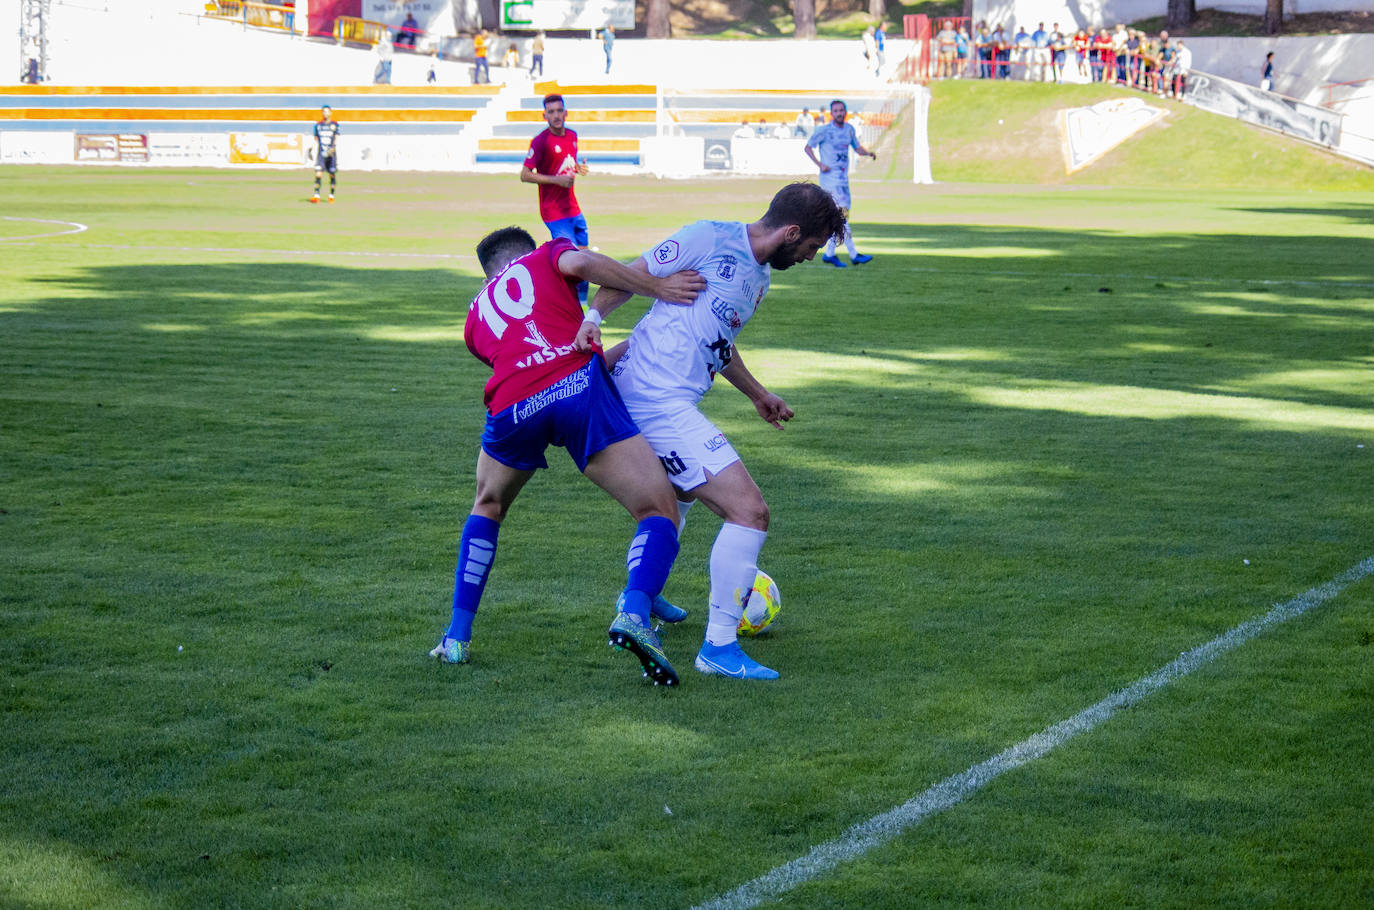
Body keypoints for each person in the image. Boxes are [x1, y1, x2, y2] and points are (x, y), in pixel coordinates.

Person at [577, 183, 848, 680]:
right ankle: (719, 648)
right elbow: (630, 274)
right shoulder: (708, 237)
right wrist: (594, 316)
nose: (811, 257)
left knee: (677, 496)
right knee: (749, 510)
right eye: (811, 247)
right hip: (654, 399)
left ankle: (644, 591)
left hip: (665, 397)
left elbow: (718, 342)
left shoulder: (759, 278)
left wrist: (757, 394)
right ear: (791, 232)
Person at [429, 227, 708, 684]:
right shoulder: (545, 257)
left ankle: (456, 638)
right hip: (577, 392)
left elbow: (527, 360)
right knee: (658, 510)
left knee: (488, 506)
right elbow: (579, 265)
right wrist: (657, 287)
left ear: (487, 274)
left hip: (512, 405)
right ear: (528, 251)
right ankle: (635, 610)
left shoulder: (473, 319)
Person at [520, 93, 593, 304]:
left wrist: (579, 168)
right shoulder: (541, 142)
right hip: (554, 212)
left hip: (573, 209)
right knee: (571, 261)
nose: (556, 115)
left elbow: (566, 164)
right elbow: (525, 174)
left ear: (566, 112)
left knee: (585, 258)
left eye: (559, 110)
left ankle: (583, 307)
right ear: (545, 116)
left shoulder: (572, 136)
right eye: (551, 112)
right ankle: (562, 304)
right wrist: (556, 181)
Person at [805, 99, 876, 268]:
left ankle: (829, 254)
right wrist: (820, 164)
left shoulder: (849, 130)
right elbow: (808, 147)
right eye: (836, 110)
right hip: (830, 180)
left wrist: (868, 154)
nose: (839, 113)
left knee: (839, 217)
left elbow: (857, 148)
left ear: (845, 112)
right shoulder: (823, 130)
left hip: (843, 179)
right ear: (831, 113)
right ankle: (854, 254)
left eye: (841, 110)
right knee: (841, 216)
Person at [310, 104, 338, 203]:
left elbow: (336, 138)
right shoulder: (318, 125)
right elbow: (316, 139)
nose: (325, 113)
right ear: (322, 113)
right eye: (324, 111)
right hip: (321, 154)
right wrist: (311, 149)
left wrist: (333, 148)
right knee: (318, 174)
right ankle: (316, 195)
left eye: (327, 111)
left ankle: (331, 195)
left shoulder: (334, 125)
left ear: (330, 113)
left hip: (331, 155)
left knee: (332, 175)